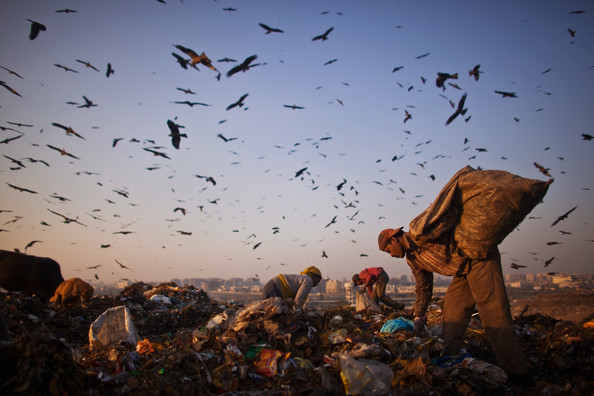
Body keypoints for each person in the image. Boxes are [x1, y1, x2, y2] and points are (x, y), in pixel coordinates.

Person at [377, 227, 530, 377]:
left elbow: (449, 221)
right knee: (452, 311)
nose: (391, 255)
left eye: (388, 250)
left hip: (479, 259)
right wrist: (418, 317)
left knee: (493, 314)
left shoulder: (421, 231)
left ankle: (517, 371)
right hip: (462, 272)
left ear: (393, 239)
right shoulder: (413, 259)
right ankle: (450, 358)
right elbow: (424, 287)